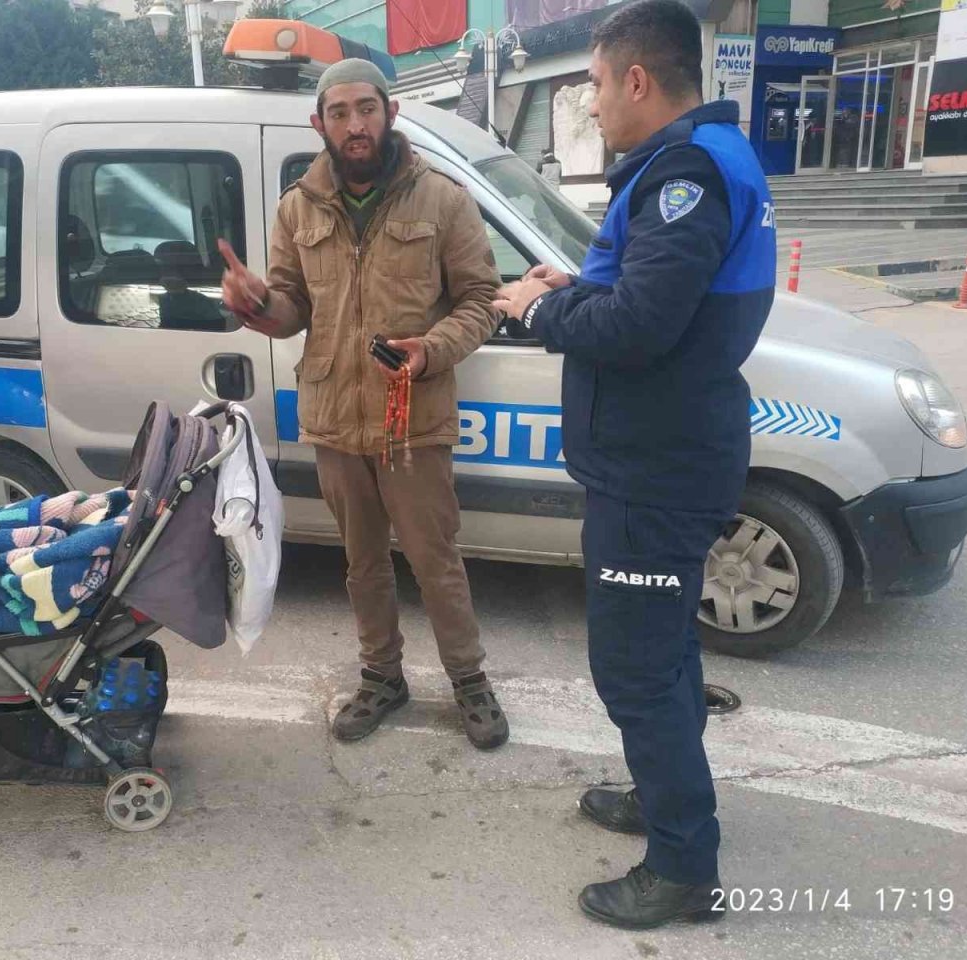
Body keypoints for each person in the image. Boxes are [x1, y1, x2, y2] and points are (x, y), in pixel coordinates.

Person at [492, 0, 775, 930]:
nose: (594, 101)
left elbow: (641, 327)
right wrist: (579, 285)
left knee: (637, 670)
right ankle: (665, 802)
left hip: (656, 469)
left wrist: (539, 311)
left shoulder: (684, 174)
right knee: (667, 651)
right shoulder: (697, 161)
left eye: (597, 83)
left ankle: (685, 867)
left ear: (639, 80)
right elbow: (658, 294)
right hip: (667, 454)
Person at [219, 59, 510, 750]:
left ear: (391, 114)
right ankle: (382, 676)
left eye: (366, 109)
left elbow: (483, 300)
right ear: (319, 123)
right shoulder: (297, 207)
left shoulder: (442, 199)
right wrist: (258, 302)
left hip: (412, 419)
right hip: (335, 417)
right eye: (340, 112)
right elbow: (292, 310)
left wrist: (431, 350)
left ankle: (468, 679)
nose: (355, 124)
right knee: (362, 563)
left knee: (435, 559)